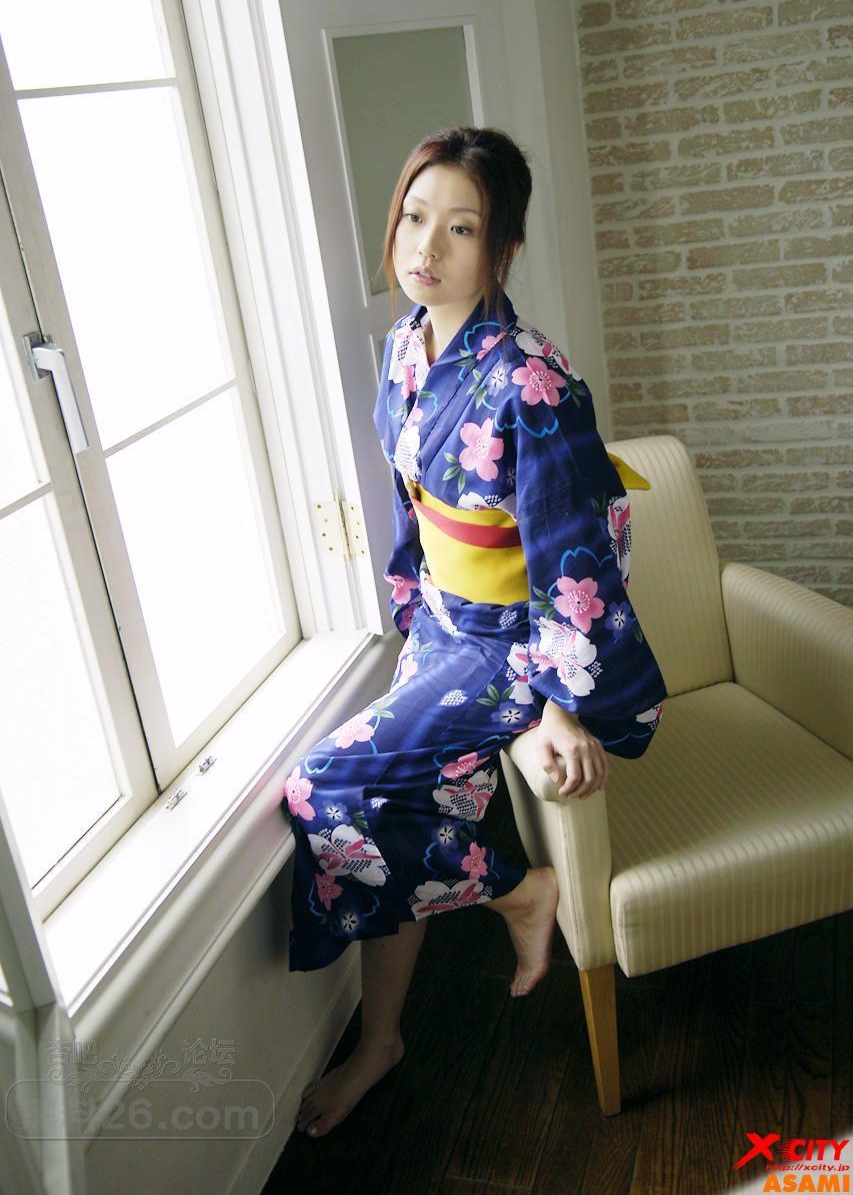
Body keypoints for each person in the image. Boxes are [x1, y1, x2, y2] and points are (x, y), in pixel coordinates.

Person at [282, 126, 668, 1139]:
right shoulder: (406, 347)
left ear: (502, 249)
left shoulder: (531, 381)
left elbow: (576, 551)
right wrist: (414, 610)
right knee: (407, 805)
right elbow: (409, 506)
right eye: (415, 216)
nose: (426, 245)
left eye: (461, 228)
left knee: (324, 788)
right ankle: (381, 1038)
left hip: (509, 641)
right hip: (442, 621)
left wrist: (557, 703)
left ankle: (514, 891)